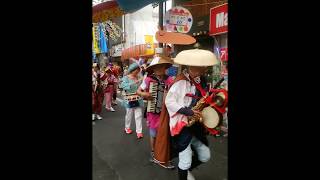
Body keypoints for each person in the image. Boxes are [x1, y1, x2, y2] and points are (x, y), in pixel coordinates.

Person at [165, 49, 218, 180]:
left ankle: (185, 170)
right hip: (181, 125)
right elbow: (169, 102)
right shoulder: (180, 81)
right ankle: (184, 171)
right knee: (185, 160)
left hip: (194, 125)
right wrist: (188, 111)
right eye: (201, 68)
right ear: (192, 67)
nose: (203, 70)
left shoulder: (199, 80)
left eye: (203, 68)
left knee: (205, 155)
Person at [136, 56, 174, 163]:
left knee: (164, 133)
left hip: (166, 112)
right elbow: (138, 91)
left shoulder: (170, 80)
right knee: (153, 133)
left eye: (162, 67)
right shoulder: (148, 79)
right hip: (153, 112)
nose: (160, 69)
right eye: (157, 67)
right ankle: (153, 152)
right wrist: (145, 94)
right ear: (153, 68)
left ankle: (162, 152)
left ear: (165, 68)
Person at [120, 63, 144, 139]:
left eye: (138, 71)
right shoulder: (126, 78)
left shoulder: (139, 77)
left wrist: (142, 83)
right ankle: (127, 128)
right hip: (129, 99)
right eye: (136, 71)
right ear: (132, 70)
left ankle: (139, 132)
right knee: (129, 115)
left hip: (138, 98)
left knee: (139, 115)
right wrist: (133, 83)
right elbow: (122, 86)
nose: (137, 72)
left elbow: (141, 87)